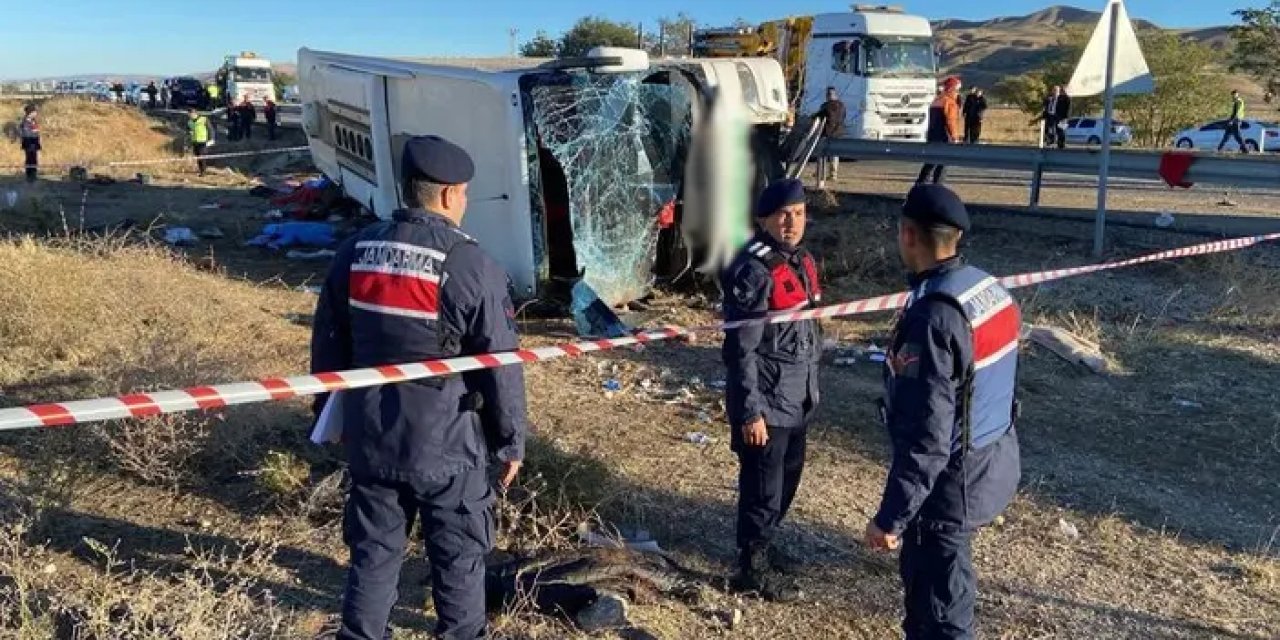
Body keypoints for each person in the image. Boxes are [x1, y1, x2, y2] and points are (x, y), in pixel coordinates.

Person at [311, 135, 528, 640]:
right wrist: (509, 441)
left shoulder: (355, 251)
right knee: (459, 555)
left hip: (372, 435)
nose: (466, 202)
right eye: (466, 194)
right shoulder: (469, 262)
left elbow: (328, 342)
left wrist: (328, 414)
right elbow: (501, 364)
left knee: (373, 554)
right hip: (447, 444)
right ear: (449, 194)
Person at [865, 184, 1022, 640]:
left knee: (939, 611)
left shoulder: (933, 318)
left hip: (949, 488)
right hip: (993, 458)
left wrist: (891, 518)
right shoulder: (988, 289)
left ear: (908, 235)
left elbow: (926, 437)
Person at [721, 178, 823, 603]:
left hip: (798, 397)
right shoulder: (753, 271)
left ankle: (766, 543)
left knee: (787, 479)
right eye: (782, 215)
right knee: (762, 487)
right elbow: (740, 350)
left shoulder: (802, 261)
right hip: (767, 402)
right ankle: (752, 566)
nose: (791, 222)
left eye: (798, 214)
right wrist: (750, 412)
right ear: (763, 220)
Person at [918, 76, 962, 184]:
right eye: (958, 89)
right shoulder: (949, 102)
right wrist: (954, 137)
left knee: (930, 162)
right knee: (943, 163)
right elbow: (951, 121)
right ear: (953, 88)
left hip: (932, 135)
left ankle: (920, 184)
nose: (958, 92)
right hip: (944, 136)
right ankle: (938, 186)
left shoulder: (937, 100)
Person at [811, 87, 846, 189]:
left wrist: (812, 117)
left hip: (827, 132)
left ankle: (821, 173)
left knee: (822, 153)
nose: (827, 96)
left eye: (828, 94)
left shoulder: (826, 106)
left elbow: (819, 116)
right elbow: (843, 116)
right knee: (834, 154)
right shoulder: (842, 105)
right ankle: (832, 174)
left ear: (828, 95)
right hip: (838, 132)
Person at [1217, 89, 1249, 154]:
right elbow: (1233, 112)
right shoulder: (1235, 102)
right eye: (1232, 95)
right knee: (1227, 135)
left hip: (1236, 120)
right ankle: (1219, 148)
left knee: (1237, 136)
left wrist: (1231, 120)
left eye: (1235, 95)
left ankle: (1245, 149)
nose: (1233, 96)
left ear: (1237, 94)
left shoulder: (1238, 101)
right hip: (1233, 120)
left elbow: (1236, 112)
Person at [18, 104, 40, 183]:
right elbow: (26, 134)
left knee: (34, 160)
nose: (36, 113)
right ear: (30, 113)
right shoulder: (25, 122)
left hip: (34, 144)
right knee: (30, 160)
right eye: (35, 112)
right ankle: (30, 177)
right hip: (29, 144)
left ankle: (33, 175)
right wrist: (34, 132)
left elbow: (35, 131)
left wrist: (35, 132)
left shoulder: (33, 121)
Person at [187, 108, 211, 176]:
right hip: (195, 141)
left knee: (201, 156)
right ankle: (201, 170)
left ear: (195, 113)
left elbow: (210, 129)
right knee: (197, 157)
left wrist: (211, 139)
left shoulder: (204, 119)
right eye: (189, 115)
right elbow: (188, 130)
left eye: (190, 114)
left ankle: (203, 171)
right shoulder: (189, 122)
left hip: (203, 141)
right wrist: (189, 132)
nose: (190, 116)